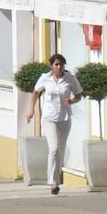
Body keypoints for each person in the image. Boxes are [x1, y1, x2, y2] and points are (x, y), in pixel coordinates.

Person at [26, 54, 83, 195]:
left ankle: (56, 178)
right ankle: (53, 182)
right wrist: (31, 110)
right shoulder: (45, 77)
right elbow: (36, 92)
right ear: (52, 65)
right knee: (54, 148)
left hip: (64, 118)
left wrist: (72, 101)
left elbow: (79, 95)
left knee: (60, 151)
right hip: (49, 118)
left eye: (62, 65)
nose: (59, 67)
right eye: (56, 64)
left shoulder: (70, 78)